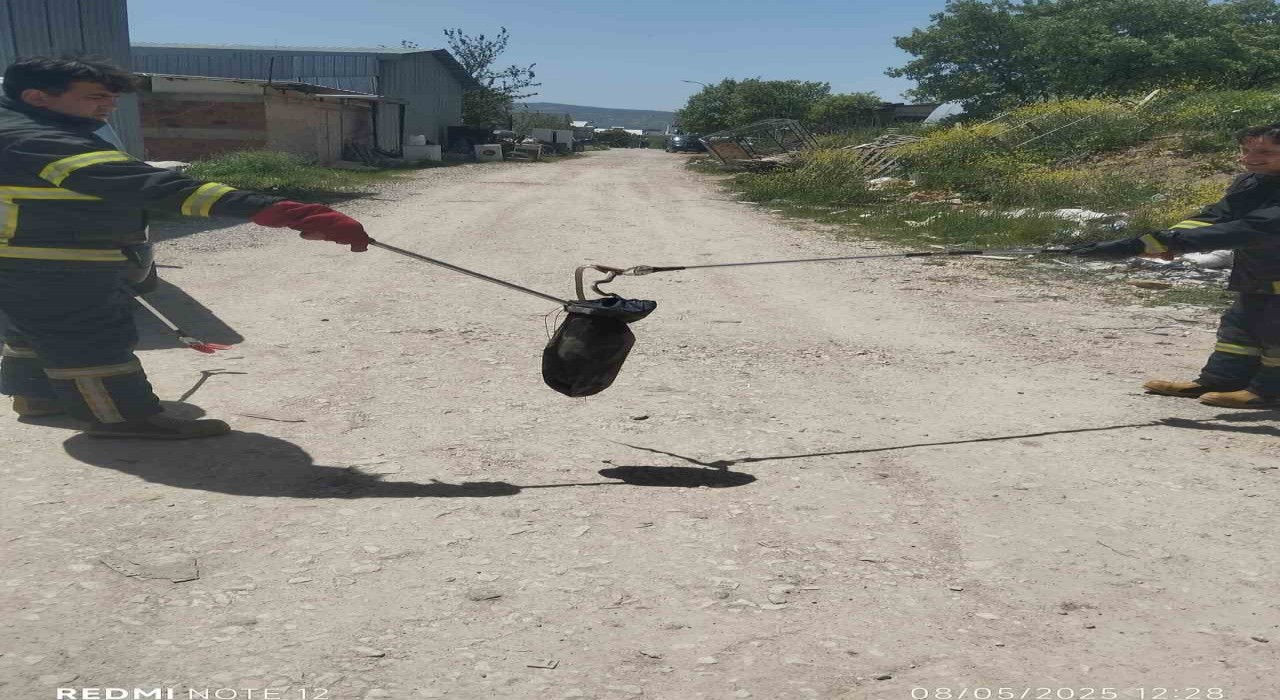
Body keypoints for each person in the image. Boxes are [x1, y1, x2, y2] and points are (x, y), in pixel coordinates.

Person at [0, 56, 372, 439]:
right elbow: (153, 186)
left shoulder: (26, 128)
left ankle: (37, 396)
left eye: (111, 97)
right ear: (36, 97)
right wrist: (284, 211)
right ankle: (122, 419)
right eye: (95, 97)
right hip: (51, 262)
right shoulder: (39, 140)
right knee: (89, 338)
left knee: (38, 329)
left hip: (29, 259)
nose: (108, 106)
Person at [1072, 123, 1280, 409]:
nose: (1249, 158)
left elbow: (1250, 229)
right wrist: (1162, 240)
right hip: (1260, 274)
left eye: (1265, 152)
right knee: (1239, 329)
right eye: (1245, 150)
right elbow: (1216, 217)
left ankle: (1270, 391)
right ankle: (1222, 381)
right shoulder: (1252, 182)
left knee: (1275, 332)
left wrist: (1170, 242)